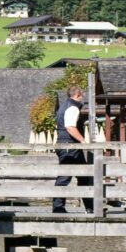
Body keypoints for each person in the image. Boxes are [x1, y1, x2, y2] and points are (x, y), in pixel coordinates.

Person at [53, 85, 94, 214]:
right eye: (82, 95)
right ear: (77, 95)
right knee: (64, 177)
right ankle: (58, 208)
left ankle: (91, 207)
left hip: (68, 145)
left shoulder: (64, 106)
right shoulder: (73, 107)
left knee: (84, 177)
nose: (82, 98)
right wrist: (83, 141)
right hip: (69, 146)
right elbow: (70, 127)